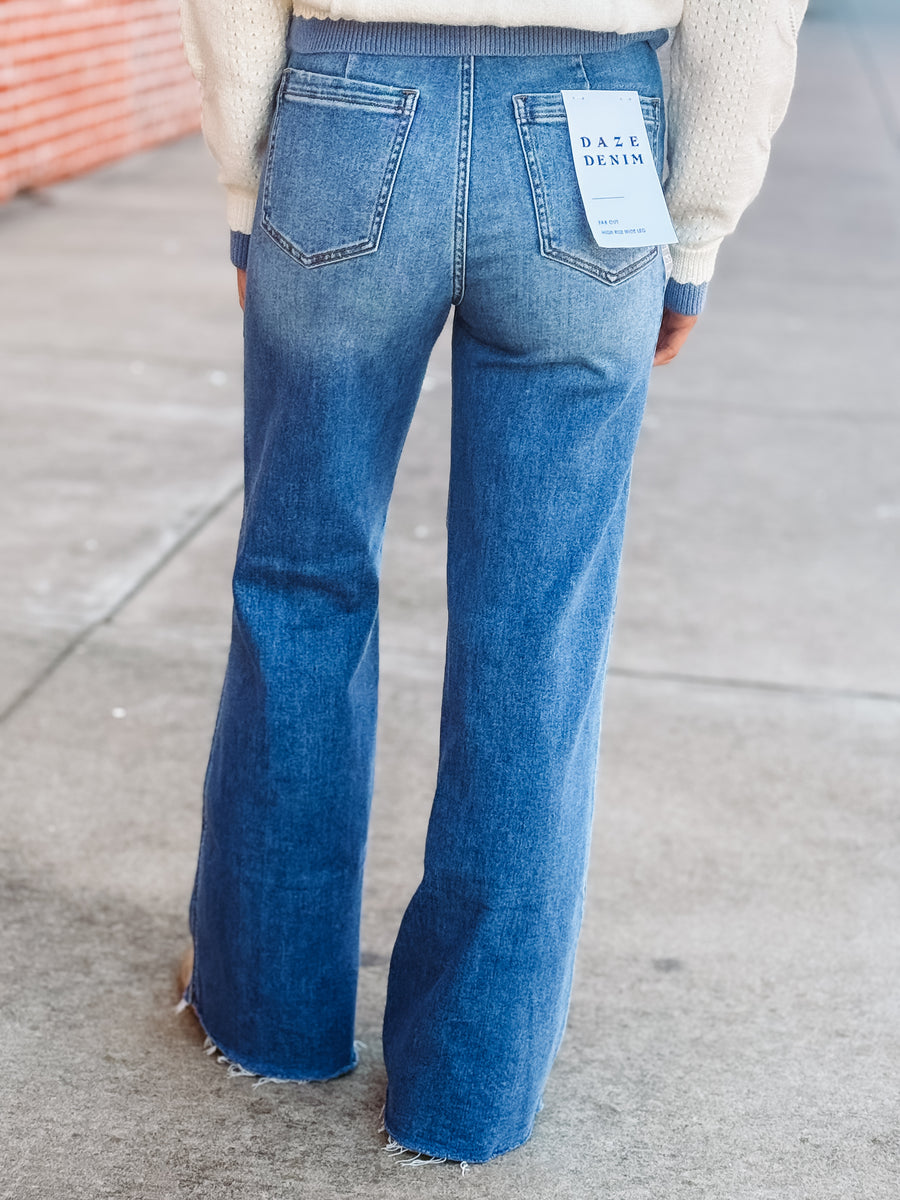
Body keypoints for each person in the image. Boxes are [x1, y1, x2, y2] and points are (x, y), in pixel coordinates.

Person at [175, 0, 807, 1166]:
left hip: (346, 113)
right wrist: (698, 226)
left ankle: (266, 1011)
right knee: (539, 632)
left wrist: (241, 182)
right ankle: (468, 1090)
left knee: (298, 585)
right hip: (592, 133)